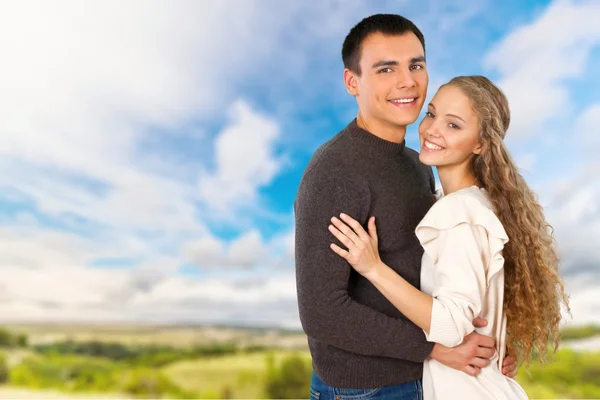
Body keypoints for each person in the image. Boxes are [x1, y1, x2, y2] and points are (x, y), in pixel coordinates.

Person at [294, 14, 517, 399]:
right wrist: (435, 348)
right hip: (366, 388)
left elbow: (449, 271)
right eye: (386, 69)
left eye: (416, 64)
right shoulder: (334, 172)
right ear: (352, 82)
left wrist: (485, 337)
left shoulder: (420, 164)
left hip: (429, 374)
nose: (407, 81)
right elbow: (323, 313)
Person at [328, 75, 570, 399]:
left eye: (453, 125)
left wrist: (373, 268)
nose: (431, 130)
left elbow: (451, 325)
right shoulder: (475, 203)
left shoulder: (458, 214)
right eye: (431, 114)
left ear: (480, 144)